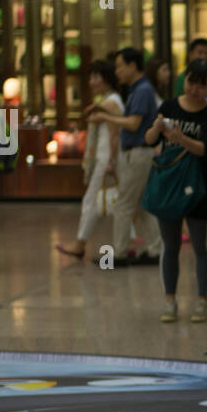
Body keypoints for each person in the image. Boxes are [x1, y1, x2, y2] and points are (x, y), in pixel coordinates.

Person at [146, 57, 207, 324]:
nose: (194, 89)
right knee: (171, 244)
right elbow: (149, 139)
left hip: (198, 185)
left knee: (201, 245)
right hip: (168, 183)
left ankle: (203, 301)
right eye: (191, 82)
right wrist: (156, 128)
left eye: (201, 85)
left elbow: (206, 150)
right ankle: (170, 301)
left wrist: (181, 139)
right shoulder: (168, 106)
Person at [85, 47, 163, 266]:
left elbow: (134, 123)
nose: (117, 71)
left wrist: (105, 117)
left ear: (132, 66)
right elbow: (130, 119)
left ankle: (118, 254)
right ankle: (155, 249)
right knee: (142, 205)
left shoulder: (141, 90)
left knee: (123, 205)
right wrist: (104, 111)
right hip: (140, 153)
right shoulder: (138, 89)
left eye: (120, 66)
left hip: (137, 153)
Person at [57, 60, 124, 261]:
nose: (92, 81)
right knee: (106, 202)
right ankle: (122, 243)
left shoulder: (111, 103)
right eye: (91, 76)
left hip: (106, 160)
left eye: (97, 76)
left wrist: (111, 161)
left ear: (107, 78)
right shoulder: (106, 101)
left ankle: (80, 244)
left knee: (92, 202)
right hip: (105, 159)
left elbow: (115, 133)